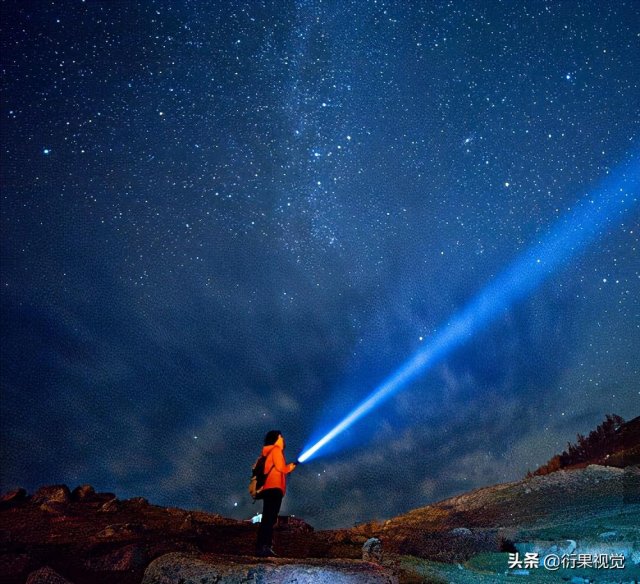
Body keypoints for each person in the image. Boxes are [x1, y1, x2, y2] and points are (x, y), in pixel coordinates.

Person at [255, 430, 297, 557]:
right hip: (274, 488)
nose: (283, 439)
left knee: (267, 517)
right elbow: (281, 468)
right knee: (270, 518)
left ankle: (262, 546)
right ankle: (264, 547)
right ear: (276, 439)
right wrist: (291, 466)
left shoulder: (267, 452)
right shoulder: (276, 450)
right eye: (280, 437)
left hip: (268, 488)